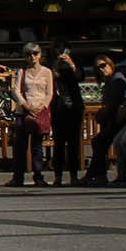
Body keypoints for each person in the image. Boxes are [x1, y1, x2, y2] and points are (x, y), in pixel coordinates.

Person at [5, 42, 53, 187]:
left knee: (37, 147)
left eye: (35, 53)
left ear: (40, 55)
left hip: (39, 111)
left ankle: (38, 176)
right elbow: (16, 91)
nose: (32, 57)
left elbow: (49, 92)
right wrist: (26, 105)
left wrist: (42, 107)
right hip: (23, 111)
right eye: (28, 54)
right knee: (20, 146)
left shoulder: (47, 72)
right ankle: (18, 177)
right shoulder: (22, 71)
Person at [84, 54, 126, 186]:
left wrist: (101, 115)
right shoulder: (110, 82)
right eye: (97, 68)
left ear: (110, 64)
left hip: (121, 120)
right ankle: (97, 175)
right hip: (112, 121)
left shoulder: (117, 80)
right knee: (99, 142)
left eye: (103, 65)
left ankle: (95, 175)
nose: (101, 70)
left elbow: (112, 105)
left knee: (99, 141)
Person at [50, 51, 84, 186]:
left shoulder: (74, 66)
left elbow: (80, 76)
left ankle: (74, 175)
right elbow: (52, 77)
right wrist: (56, 64)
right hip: (58, 108)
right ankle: (57, 175)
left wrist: (71, 63)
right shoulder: (53, 66)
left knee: (73, 143)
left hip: (74, 107)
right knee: (58, 143)